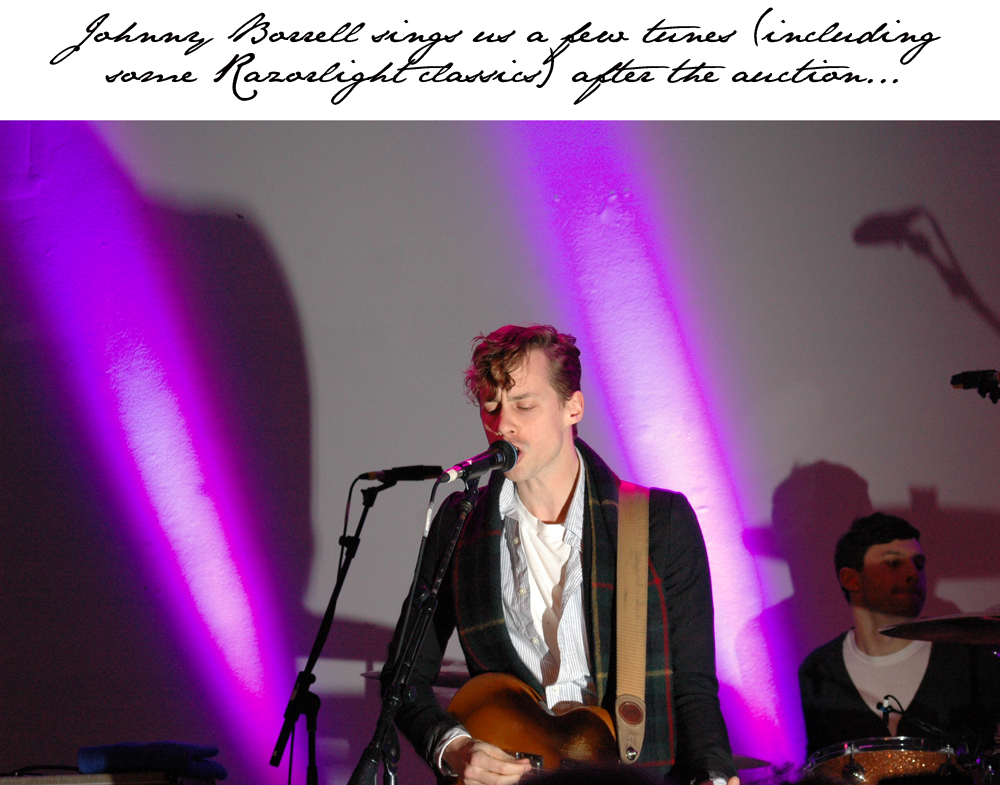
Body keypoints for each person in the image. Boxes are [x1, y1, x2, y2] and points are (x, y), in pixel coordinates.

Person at [382, 324, 737, 785]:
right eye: (491, 406)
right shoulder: (460, 521)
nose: (502, 424)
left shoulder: (658, 521)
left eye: (524, 405)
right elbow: (403, 676)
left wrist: (712, 773)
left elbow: (693, 686)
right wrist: (452, 747)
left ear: (573, 407)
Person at [798, 513, 1000, 758]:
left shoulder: (970, 657)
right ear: (851, 579)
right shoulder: (819, 670)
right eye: (894, 563)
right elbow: (819, 765)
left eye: (919, 564)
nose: (913, 573)